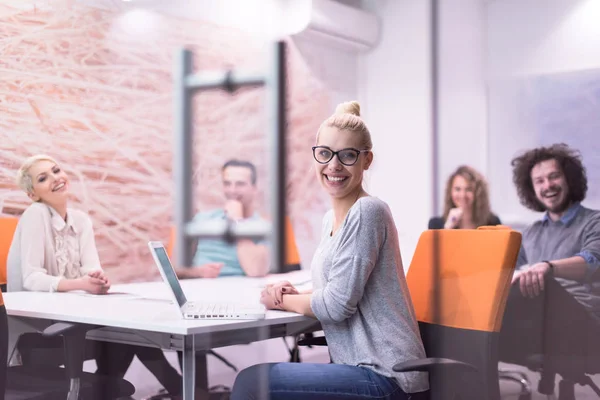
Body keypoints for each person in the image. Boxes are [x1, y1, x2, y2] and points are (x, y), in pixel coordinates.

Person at [229, 101, 430, 400]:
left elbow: (337, 305)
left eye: (347, 155)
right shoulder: (331, 220)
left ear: (366, 160)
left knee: (251, 383)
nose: (333, 165)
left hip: (389, 376)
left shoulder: (368, 211)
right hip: (363, 369)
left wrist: (283, 301)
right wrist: (293, 293)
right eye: (324, 153)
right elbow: (338, 285)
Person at [7, 154, 183, 397]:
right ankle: (180, 389)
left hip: (73, 321)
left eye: (57, 170)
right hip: (39, 331)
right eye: (43, 178)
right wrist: (81, 283)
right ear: (33, 194)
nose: (55, 178)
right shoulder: (35, 214)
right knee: (130, 339)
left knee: (131, 336)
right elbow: (32, 278)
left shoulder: (80, 220)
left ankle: (169, 389)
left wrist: (96, 279)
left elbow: (91, 268)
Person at [499, 144, 600, 372]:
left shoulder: (595, 222)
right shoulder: (531, 233)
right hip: (540, 323)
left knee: (542, 285)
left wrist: (548, 268)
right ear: (532, 189)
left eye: (554, 176)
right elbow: (506, 274)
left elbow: (593, 261)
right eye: (539, 181)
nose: (548, 186)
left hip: (587, 328)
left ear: (569, 179)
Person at [175, 159, 270, 279]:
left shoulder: (263, 227)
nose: (232, 190)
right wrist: (198, 272)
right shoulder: (203, 220)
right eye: (227, 183)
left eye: (240, 184)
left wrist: (236, 220)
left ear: (254, 188)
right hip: (200, 288)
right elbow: (175, 270)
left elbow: (255, 271)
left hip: (240, 290)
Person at [428, 165, 501, 229]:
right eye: (457, 189)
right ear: (450, 192)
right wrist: (448, 227)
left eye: (469, 189)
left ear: (478, 193)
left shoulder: (492, 223)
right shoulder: (435, 225)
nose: (463, 195)